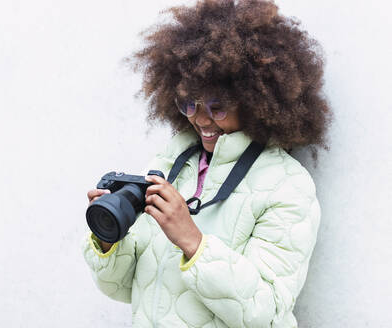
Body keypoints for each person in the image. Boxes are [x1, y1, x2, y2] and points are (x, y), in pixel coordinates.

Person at [82, 0, 333, 327]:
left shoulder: (287, 185)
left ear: (256, 101)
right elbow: (120, 287)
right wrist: (109, 238)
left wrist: (192, 240)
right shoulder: (172, 162)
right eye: (189, 103)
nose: (200, 119)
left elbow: (266, 312)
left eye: (218, 106)